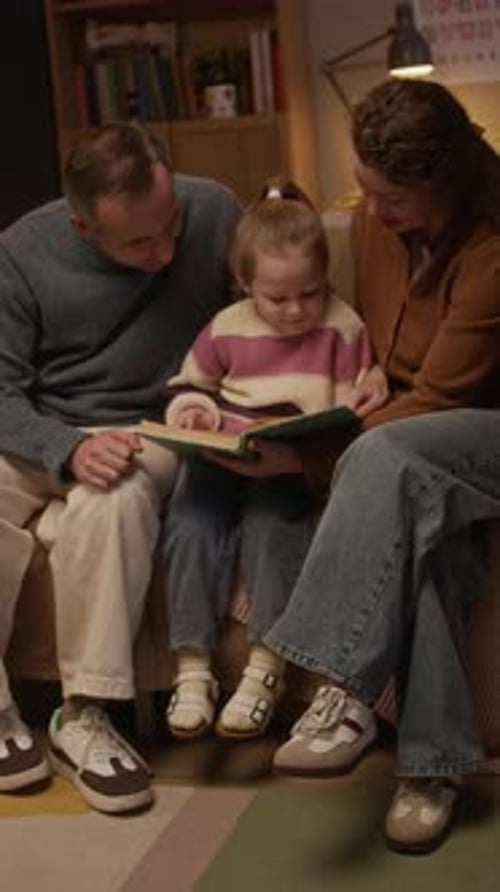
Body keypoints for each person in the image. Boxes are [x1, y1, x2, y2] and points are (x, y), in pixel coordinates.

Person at [261, 79, 500, 854]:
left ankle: (345, 686)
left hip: (482, 431)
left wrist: (312, 457)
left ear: (446, 182)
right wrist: (364, 379)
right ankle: (429, 772)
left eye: (391, 198)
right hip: (423, 446)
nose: (374, 211)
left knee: (384, 456)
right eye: (366, 192)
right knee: (425, 530)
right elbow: (391, 356)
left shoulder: (495, 240)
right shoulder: (376, 216)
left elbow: (441, 393)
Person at [0, 122, 241, 812]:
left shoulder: (215, 209)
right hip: (42, 428)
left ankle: (85, 715)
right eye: (140, 241)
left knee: (116, 495)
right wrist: (65, 447)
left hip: (151, 422)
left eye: (171, 226)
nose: (167, 252)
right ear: (81, 225)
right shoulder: (19, 254)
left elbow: (266, 314)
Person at [160, 179, 375, 741]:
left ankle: (264, 669)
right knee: (187, 524)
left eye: (310, 292)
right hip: (222, 459)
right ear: (243, 282)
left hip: (287, 467)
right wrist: (193, 412)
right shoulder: (226, 327)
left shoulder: (344, 327)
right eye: (276, 298)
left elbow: (357, 409)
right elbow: (191, 385)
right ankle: (192, 669)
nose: (296, 310)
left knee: (271, 527)